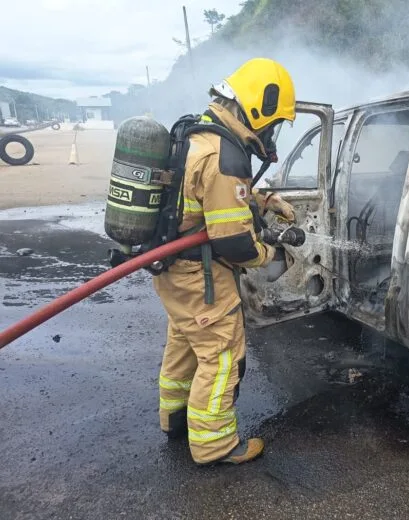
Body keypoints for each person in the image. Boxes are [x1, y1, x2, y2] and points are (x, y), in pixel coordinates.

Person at [153, 58, 298, 465]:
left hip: (174, 273)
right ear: (258, 108)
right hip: (200, 278)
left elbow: (213, 199)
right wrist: (273, 257)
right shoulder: (224, 155)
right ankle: (214, 445)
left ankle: (175, 419)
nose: (272, 132)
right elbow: (235, 243)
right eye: (275, 122)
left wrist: (266, 201)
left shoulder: (198, 135)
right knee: (220, 357)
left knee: (184, 345)